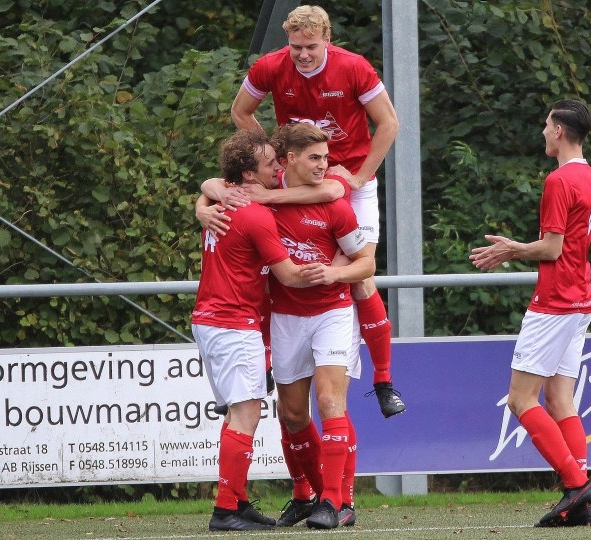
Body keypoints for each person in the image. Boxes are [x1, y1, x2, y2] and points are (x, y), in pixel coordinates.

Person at [227, 4, 405, 418]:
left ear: (327, 39)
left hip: (347, 178)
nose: (302, 55)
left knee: (360, 276)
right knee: (273, 269)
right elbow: (241, 111)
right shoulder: (271, 66)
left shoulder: (354, 68)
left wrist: (359, 177)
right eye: (295, 47)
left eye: (310, 46)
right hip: (300, 174)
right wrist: (270, 157)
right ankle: (268, 364)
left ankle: (383, 380)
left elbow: (389, 123)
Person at [191, 130, 341, 531]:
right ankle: (226, 509)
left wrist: (201, 203)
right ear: (248, 174)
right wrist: (332, 270)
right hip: (232, 321)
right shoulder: (254, 214)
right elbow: (290, 277)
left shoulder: (223, 196)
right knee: (245, 413)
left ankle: (236, 501)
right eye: (270, 163)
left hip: (212, 318)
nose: (278, 167)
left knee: (241, 412)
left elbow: (210, 186)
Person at [469, 99, 591, 527]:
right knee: (560, 399)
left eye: (547, 125)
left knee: (519, 399)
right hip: (580, 299)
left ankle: (576, 484)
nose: (543, 132)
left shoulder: (559, 180)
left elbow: (552, 247)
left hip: (556, 302)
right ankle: (581, 500)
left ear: (560, 131)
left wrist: (511, 249)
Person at [266, 123, 374, 529]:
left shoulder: (335, 204)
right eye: (315, 158)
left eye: (326, 158)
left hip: (332, 312)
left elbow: (366, 263)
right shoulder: (266, 195)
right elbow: (220, 187)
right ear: (290, 159)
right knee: (292, 414)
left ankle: (335, 500)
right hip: (286, 315)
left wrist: (333, 274)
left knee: (331, 402)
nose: (324, 165)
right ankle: (316, 494)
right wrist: (204, 204)